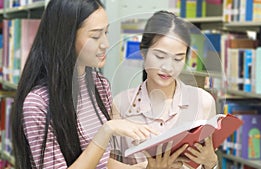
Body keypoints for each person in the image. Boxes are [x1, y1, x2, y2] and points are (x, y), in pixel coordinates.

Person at [11, 1, 188, 169]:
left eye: (106, 32)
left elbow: (102, 164)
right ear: (66, 37)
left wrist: (146, 167)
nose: (105, 44)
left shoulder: (100, 85)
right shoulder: (38, 104)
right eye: (95, 36)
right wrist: (106, 131)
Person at [112, 11, 219, 169]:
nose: (168, 67)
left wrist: (211, 162)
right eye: (160, 56)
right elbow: (106, 164)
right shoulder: (121, 104)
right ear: (143, 52)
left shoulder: (203, 102)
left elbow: (208, 161)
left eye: (178, 59)